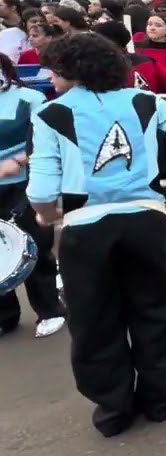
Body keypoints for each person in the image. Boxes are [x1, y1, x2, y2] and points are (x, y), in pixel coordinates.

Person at [22, 33, 166, 437]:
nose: (50, 78)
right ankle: (160, 399)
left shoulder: (50, 114)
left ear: (73, 71)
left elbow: (40, 191)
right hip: (148, 222)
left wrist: (46, 216)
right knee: (158, 313)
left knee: (94, 322)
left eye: (54, 71)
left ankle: (114, 408)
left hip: (86, 229)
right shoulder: (145, 100)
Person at [0, 53, 64, 338]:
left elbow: (46, 139)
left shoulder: (29, 98)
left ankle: (50, 310)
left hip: (25, 182)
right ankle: (5, 316)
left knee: (34, 245)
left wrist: (18, 161)